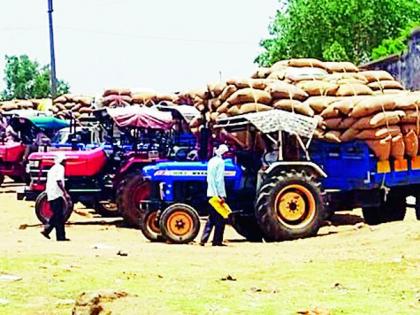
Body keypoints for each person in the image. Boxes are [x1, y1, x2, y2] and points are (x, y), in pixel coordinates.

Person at [200, 144, 230, 246]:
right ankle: (217, 241)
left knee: (212, 218)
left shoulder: (211, 161)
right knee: (221, 218)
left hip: (210, 192)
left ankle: (203, 239)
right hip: (217, 194)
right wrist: (221, 195)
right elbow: (219, 180)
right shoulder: (221, 163)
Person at [41, 153, 70, 241]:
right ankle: (58, 235)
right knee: (58, 215)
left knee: (58, 215)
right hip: (56, 193)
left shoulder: (53, 168)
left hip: (51, 193)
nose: (66, 163)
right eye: (64, 161)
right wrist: (65, 192)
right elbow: (59, 181)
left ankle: (49, 231)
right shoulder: (60, 168)